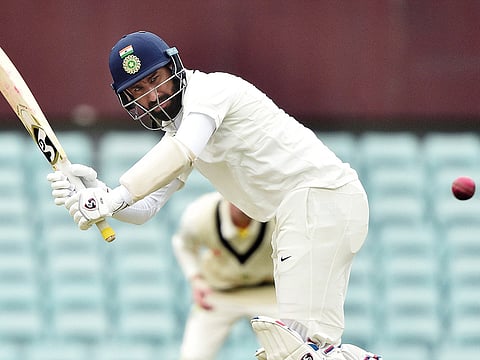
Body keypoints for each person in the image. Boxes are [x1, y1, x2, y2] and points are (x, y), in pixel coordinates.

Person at [47, 30, 382, 360]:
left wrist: (115, 197)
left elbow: (182, 152)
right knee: (307, 347)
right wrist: (99, 194)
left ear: (174, 67)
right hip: (308, 212)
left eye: (155, 80)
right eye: (138, 89)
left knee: (294, 349)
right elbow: (146, 207)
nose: (151, 96)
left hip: (319, 200)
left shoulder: (211, 92)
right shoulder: (180, 131)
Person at [172, 191, 277, 360]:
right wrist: (196, 280)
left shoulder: (278, 214)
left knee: (288, 353)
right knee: (193, 356)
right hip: (218, 292)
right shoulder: (200, 213)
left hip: (269, 293)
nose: (243, 204)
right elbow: (182, 244)